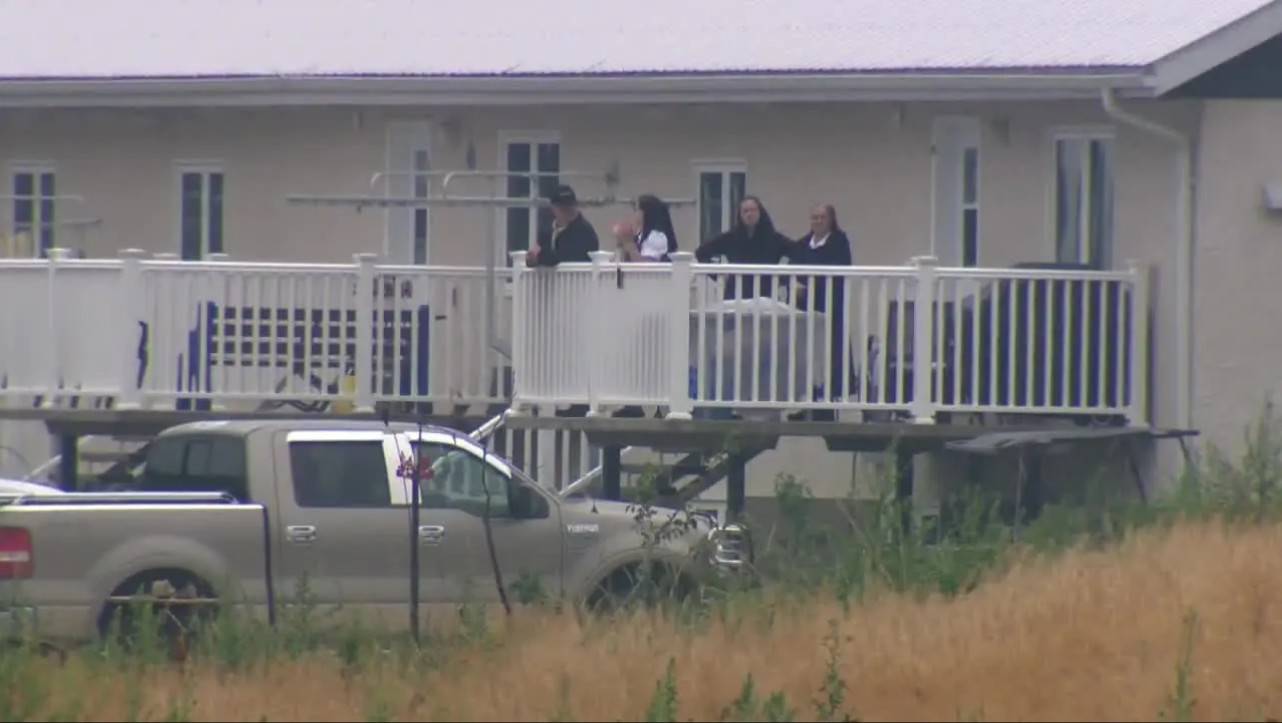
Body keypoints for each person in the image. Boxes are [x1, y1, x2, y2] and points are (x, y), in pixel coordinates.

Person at [785, 203, 854, 420]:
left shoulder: (839, 242)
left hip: (829, 307)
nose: (817, 221)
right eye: (814, 217)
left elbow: (840, 269)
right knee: (806, 355)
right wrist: (795, 286)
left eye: (822, 217)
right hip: (805, 308)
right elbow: (792, 270)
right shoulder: (803, 244)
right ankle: (807, 404)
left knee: (828, 355)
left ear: (831, 219)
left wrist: (812, 284)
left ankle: (825, 407)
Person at [694, 195, 791, 299]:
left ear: (760, 213)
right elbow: (701, 252)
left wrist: (783, 278)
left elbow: (795, 252)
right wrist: (718, 274)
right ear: (740, 215)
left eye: (753, 210)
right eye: (745, 211)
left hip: (766, 297)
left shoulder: (774, 238)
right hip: (735, 296)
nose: (749, 214)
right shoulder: (730, 238)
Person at [526, 184, 599, 267]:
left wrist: (540, 258)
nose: (568, 210)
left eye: (571, 205)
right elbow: (537, 250)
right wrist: (532, 258)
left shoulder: (585, 231)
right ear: (553, 207)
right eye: (562, 207)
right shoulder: (547, 231)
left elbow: (565, 256)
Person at [613, 194, 679, 262]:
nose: (634, 214)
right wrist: (621, 244)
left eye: (636, 210)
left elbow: (648, 264)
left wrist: (629, 244)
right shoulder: (639, 236)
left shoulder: (656, 236)